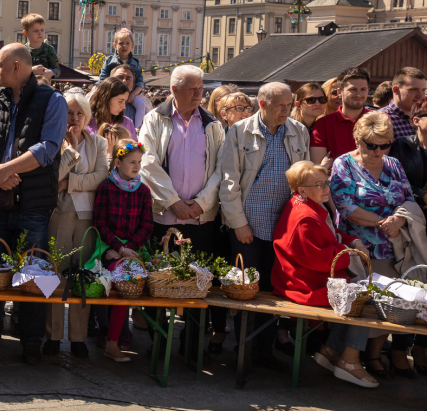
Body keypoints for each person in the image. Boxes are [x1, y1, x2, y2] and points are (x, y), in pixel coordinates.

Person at [0, 44, 67, 363]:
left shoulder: (52, 100)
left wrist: (4, 170)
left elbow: (49, 147)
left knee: (33, 277)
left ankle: (31, 343)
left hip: (33, 205)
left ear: (15, 66)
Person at [220, 81, 310, 364]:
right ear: (262, 104)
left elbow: (303, 178)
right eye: (281, 106)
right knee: (246, 290)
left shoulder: (298, 131)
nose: (287, 110)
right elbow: (229, 181)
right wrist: (238, 223)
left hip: (284, 226)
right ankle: (243, 351)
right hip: (249, 224)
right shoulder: (240, 131)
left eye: (289, 105)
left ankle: (265, 351)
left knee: (273, 290)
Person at [138, 65, 226, 352]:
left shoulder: (212, 124)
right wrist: (173, 201)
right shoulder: (155, 119)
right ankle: (159, 343)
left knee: (198, 284)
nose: (199, 94)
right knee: (160, 280)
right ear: (174, 90)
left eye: (201, 89)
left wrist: (200, 204)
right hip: (164, 216)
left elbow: (220, 170)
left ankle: (191, 347)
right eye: (192, 89)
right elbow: (147, 163)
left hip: (201, 219)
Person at [272, 161, 377, 388]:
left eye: (326, 182)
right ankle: (349, 361)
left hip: (308, 278)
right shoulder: (304, 216)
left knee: (359, 296)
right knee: (364, 300)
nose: (325, 188)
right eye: (318, 184)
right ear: (301, 190)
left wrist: (352, 242)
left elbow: (329, 237)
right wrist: (351, 253)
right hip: (304, 285)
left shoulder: (308, 205)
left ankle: (330, 351)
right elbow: (318, 257)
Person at [330, 112, 415, 379]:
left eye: (384, 144)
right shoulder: (344, 163)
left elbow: (409, 198)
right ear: (358, 139)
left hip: (394, 247)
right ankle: (348, 359)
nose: (378, 151)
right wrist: (382, 222)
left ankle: (372, 355)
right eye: (371, 145)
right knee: (364, 307)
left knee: (390, 305)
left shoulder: (393, 164)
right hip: (360, 248)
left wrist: (399, 220)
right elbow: (346, 208)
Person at [43, 90, 109, 358]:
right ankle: (53, 335)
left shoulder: (99, 143)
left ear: (87, 116)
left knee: (84, 276)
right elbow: (52, 177)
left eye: (80, 113)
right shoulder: (52, 142)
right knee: (56, 275)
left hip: (86, 217)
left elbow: (101, 177)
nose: (74, 118)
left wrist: (69, 184)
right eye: (69, 112)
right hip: (58, 215)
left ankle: (79, 337)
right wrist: (69, 152)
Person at [93, 139, 152, 362]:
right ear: (117, 162)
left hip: (134, 250)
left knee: (130, 275)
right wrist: (118, 247)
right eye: (131, 162)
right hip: (108, 248)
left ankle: (117, 335)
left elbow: (147, 225)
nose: (136, 166)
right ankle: (112, 341)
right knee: (125, 277)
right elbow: (100, 223)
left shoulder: (143, 191)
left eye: (139, 162)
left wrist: (129, 248)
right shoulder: (106, 188)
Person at [387, 98, 427, 374]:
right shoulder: (402, 147)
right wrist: (423, 196)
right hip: (409, 226)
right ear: (417, 120)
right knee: (411, 287)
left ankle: (423, 349)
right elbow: (396, 185)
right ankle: (399, 348)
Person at [311, 67, 370, 167]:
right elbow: (319, 167)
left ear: (368, 90)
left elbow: (382, 161)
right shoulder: (323, 124)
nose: (359, 94)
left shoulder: (379, 120)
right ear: (339, 92)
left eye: (363, 89)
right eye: (353, 89)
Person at [97, 28, 145, 105]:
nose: (124, 46)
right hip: (111, 94)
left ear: (132, 46)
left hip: (130, 95)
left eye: (127, 43)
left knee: (141, 105)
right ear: (114, 45)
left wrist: (132, 94)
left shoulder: (136, 63)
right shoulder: (108, 61)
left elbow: (140, 83)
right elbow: (102, 80)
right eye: (121, 43)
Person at [378, 67, 426, 139]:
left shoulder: (424, 118)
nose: (420, 95)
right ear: (396, 90)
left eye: (423, 90)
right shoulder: (380, 119)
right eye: (413, 90)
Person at [21, 13, 59, 80]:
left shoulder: (49, 49)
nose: (40, 33)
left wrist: (51, 72)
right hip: (27, 87)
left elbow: (57, 69)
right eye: (36, 31)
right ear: (25, 33)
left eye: (42, 30)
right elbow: (17, 72)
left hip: (45, 87)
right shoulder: (22, 51)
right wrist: (31, 71)